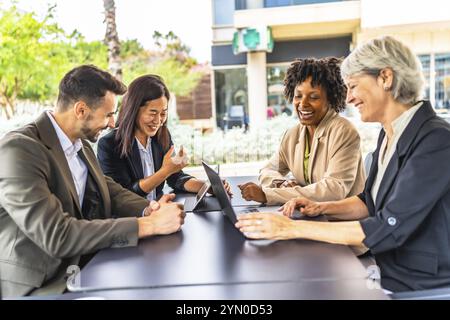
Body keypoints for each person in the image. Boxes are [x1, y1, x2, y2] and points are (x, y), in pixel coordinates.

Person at [236, 36, 450, 292]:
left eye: (354, 86)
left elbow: (389, 227)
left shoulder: (436, 139)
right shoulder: (390, 133)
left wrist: (290, 228)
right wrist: (319, 207)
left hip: (416, 282)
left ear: (385, 78)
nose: (348, 98)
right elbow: (368, 202)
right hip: (387, 269)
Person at [0, 65, 185, 298]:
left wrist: (151, 208)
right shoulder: (19, 149)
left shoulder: (81, 146)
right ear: (80, 110)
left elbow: (109, 190)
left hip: (83, 267)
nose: (112, 123)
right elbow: (57, 235)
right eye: (108, 114)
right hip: (41, 285)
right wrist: (150, 225)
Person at [239, 57, 365, 205]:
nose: (303, 104)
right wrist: (281, 184)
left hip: (340, 222)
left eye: (313, 97)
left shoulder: (344, 132)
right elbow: (268, 170)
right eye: (298, 96)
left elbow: (334, 189)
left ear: (330, 99)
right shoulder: (292, 135)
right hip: (310, 216)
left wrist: (269, 195)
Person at [97, 75, 230, 200]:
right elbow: (123, 196)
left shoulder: (161, 136)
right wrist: (165, 171)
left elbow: (176, 177)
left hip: (160, 212)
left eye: (163, 113)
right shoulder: (109, 144)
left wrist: (207, 187)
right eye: (152, 113)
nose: (158, 121)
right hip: (133, 219)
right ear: (134, 110)